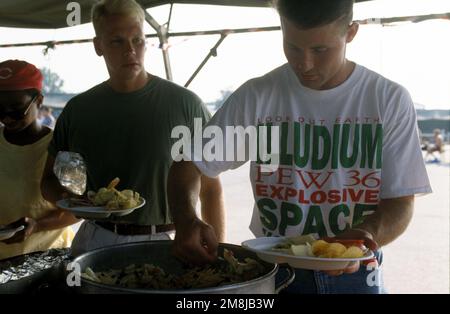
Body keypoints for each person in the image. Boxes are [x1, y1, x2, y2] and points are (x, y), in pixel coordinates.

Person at [167, 0, 431, 294]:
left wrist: (366, 234)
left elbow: (401, 201)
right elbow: (188, 165)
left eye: (320, 50)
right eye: (292, 47)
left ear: (351, 33)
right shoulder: (258, 96)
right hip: (275, 268)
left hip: (355, 270)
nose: (304, 64)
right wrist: (187, 218)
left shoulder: (387, 99)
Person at [40, 0, 225, 256]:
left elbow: (211, 189)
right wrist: (69, 199)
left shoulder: (186, 104)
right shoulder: (78, 109)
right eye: (117, 41)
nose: (130, 50)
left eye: (137, 40)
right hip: (96, 237)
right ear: (98, 46)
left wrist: (218, 251)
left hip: (169, 238)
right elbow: (48, 181)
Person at [0, 60, 77, 260]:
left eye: (17, 109)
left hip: (46, 258)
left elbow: (77, 211)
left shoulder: (60, 148)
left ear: (39, 100)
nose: (7, 118)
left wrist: (37, 226)